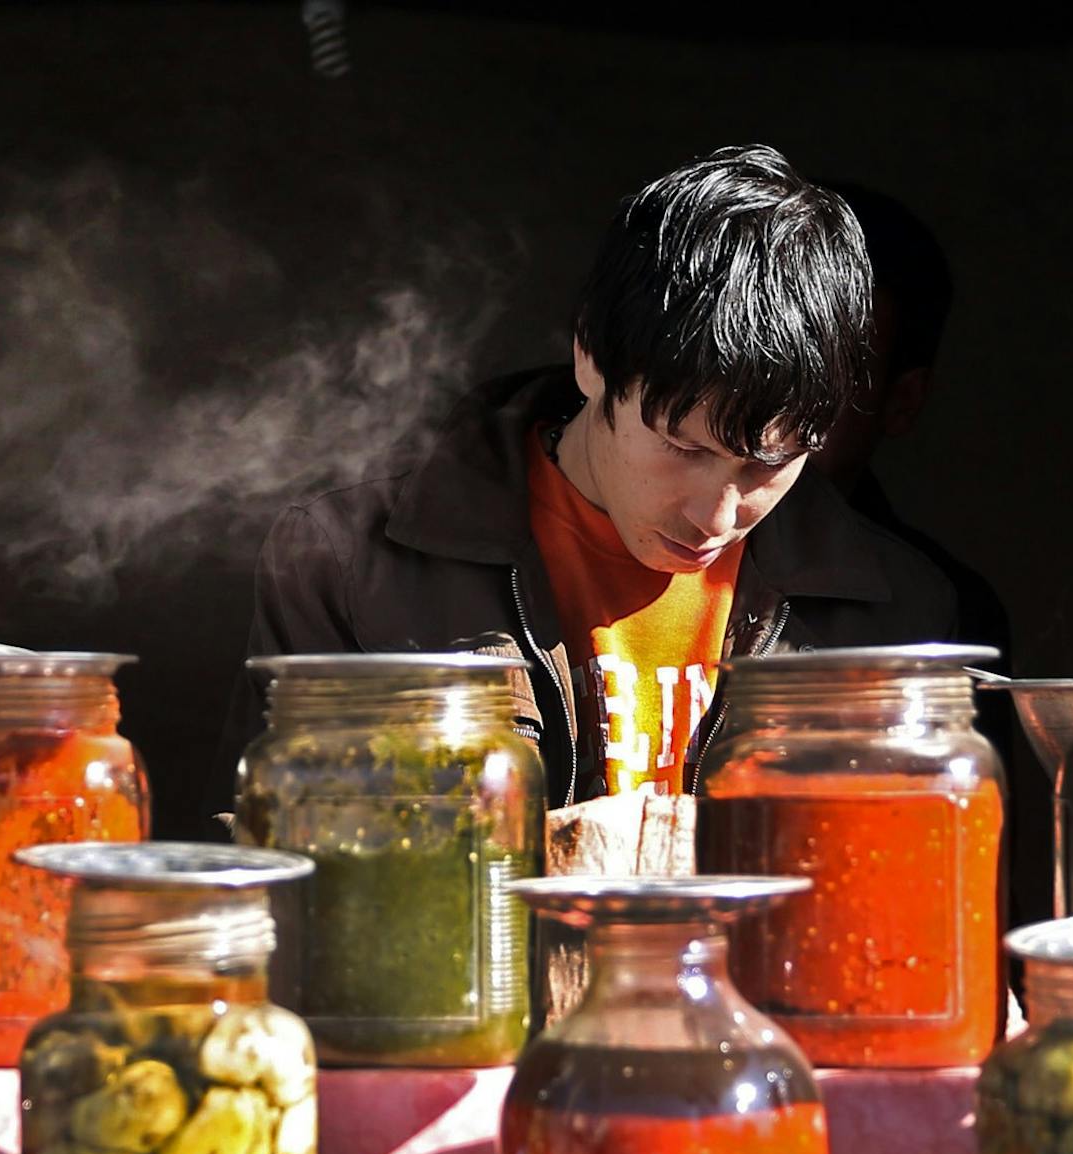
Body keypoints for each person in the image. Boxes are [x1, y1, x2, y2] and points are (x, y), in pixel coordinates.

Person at [219, 144, 960, 813]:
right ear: (591, 359)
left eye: (767, 464)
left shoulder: (898, 615)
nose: (717, 514)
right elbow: (278, 869)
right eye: (682, 447)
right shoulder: (350, 563)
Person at [809, 179, 1011, 665]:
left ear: (902, 401)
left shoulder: (936, 613)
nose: (775, 408)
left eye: (824, 375)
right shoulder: (639, 543)